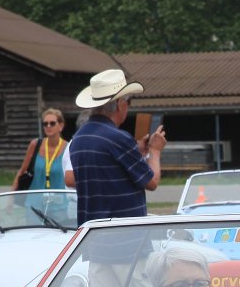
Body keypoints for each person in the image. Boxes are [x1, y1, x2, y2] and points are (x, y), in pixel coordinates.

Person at [69, 68, 165, 225]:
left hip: (91, 231)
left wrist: (137, 152)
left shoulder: (78, 138)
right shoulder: (118, 138)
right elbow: (152, 182)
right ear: (120, 104)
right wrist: (155, 150)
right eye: (128, 101)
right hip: (122, 232)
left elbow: (107, 173)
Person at [14, 107, 70, 190]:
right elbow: (22, 171)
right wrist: (12, 195)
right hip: (35, 197)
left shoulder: (68, 148)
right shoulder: (35, 144)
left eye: (52, 123)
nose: (48, 126)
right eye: (45, 124)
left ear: (61, 126)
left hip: (59, 196)